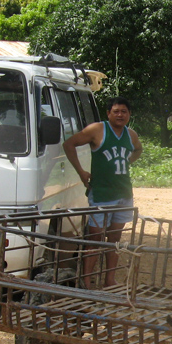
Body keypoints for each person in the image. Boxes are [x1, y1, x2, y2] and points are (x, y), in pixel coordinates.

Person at [62, 98, 143, 289]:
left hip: (124, 193)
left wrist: (124, 163)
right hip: (101, 194)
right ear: (108, 113)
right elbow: (69, 144)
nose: (120, 115)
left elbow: (138, 149)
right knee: (95, 239)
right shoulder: (97, 130)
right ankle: (87, 280)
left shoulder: (131, 135)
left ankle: (109, 279)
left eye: (124, 111)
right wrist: (81, 172)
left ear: (129, 115)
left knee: (114, 239)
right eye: (116, 111)